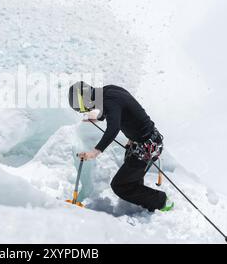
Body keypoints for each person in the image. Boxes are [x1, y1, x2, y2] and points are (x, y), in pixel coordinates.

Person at [68, 81, 173, 212]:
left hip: (147, 147)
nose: (86, 110)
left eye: (83, 108)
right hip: (143, 142)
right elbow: (123, 111)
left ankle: (162, 202)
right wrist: (98, 117)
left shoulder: (110, 101)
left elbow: (113, 127)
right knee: (130, 178)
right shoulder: (109, 91)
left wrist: (95, 152)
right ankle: (140, 200)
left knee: (120, 186)